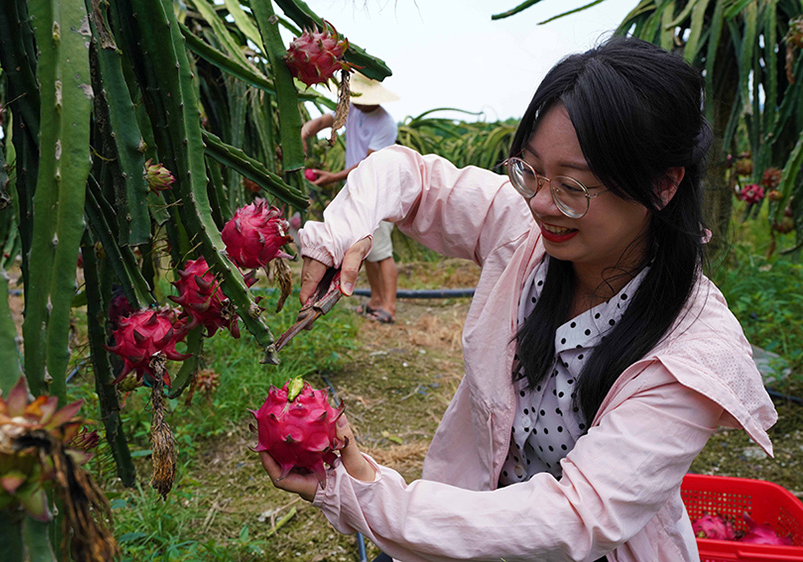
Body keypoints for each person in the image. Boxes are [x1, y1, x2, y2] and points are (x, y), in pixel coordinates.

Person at [262, 36, 778, 561]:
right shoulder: (522, 229)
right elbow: (409, 176)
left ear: (664, 185)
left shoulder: (693, 354)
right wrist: (346, 227)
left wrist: (375, 500)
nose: (540, 203)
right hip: (462, 515)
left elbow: (575, 518)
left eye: (573, 187)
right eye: (530, 170)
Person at [301, 73, 400, 323]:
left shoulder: (385, 124)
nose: (355, 102)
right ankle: (375, 301)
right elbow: (329, 119)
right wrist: (305, 131)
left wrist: (333, 177)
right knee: (362, 250)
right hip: (359, 191)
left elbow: (367, 164)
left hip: (380, 192)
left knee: (382, 252)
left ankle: (389, 306)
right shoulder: (355, 109)